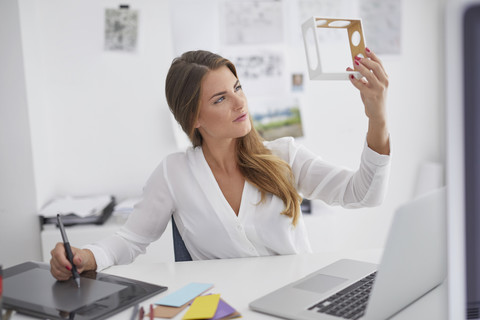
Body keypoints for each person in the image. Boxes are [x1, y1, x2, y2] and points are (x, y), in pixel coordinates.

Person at [50, 49, 390, 280]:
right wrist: (85, 256)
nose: (239, 101)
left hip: (298, 300)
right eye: (220, 98)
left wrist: (377, 118)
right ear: (194, 118)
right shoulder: (174, 173)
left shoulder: (283, 156)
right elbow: (130, 239)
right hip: (229, 309)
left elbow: (364, 194)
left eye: (237, 87)